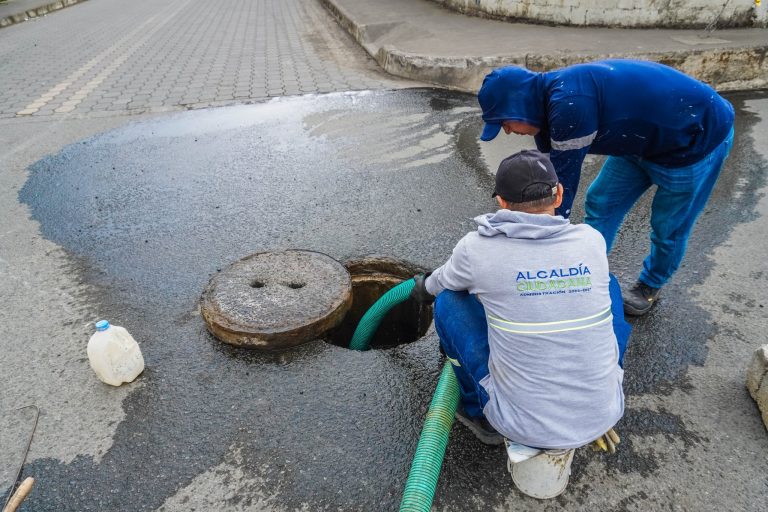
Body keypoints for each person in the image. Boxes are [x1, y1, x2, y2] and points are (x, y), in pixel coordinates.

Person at [410, 149, 630, 452]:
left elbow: (439, 284)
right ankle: (596, 386)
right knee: (609, 285)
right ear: (559, 195)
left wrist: (422, 289)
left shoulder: (476, 249)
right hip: (604, 412)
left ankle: (479, 413)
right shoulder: (590, 240)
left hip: (517, 422)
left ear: (501, 202)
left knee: (448, 301)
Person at [477, 59, 735, 315]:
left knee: (669, 228)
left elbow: (557, 199)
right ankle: (583, 269)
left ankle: (650, 284)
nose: (508, 131)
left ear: (520, 104)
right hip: (639, 143)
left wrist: (537, 258)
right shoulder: (543, 107)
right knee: (601, 202)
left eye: (504, 122)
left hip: (695, 142)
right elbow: (548, 179)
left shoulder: (569, 107)